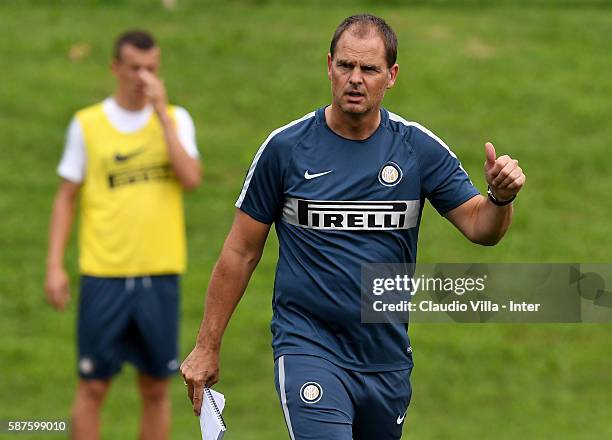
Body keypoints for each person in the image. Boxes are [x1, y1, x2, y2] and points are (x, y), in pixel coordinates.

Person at [181, 13, 525, 440]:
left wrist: (500, 197)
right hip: (308, 345)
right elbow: (240, 251)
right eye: (345, 66)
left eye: (369, 69)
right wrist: (207, 345)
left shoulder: (416, 148)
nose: (355, 79)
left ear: (392, 75)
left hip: (386, 359)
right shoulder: (286, 149)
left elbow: (480, 227)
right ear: (329, 66)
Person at [44, 30, 202, 440]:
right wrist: (54, 265)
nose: (142, 77)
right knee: (93, 385)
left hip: (160, 273)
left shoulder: (176, 119)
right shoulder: (88, 124)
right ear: (115, 68)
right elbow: (66, 197)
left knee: (155, 387)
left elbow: (190, 178)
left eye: (151, 69)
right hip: (104, 273)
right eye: (134, 67)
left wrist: (162, 115)